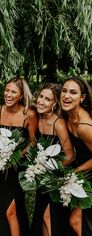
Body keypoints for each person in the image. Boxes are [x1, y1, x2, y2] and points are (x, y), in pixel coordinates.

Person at [0, 76, 38, 236]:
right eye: (6, 90)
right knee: (1, 208)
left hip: (18, 169)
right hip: (1, 167)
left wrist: (18, 155)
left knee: (11, 210)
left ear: (21, 95)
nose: (8, 94)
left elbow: (33, 142)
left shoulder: (29, 114)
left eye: (13, 92)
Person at [30, 83, 74, 236]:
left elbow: (70, 155)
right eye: (41, 97)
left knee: (50, 217)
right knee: (41, 216)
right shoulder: (38, 119)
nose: (41, 101)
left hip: (56, 178)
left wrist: (51, 172)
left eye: (47, 99)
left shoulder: (59, 124)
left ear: (55, 103)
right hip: (42, 179)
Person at [60, 76, 92, 236]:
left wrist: (76, 171)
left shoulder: (84, 127)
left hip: (88, 173)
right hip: (83, 173)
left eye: (73, 92)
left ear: (82, 97)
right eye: (64, 91)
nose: (66, 96)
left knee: (76, 221)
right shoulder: (68, 116)